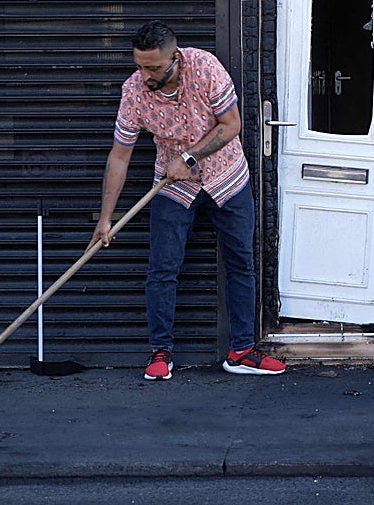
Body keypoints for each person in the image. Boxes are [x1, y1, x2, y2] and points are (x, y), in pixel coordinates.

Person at [88, 20, 285, 379]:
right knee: (163, 267)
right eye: (139, 65)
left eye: (153, 67)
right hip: (172, 185)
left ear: (175, 58)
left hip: (227, 178)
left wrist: (190, 157)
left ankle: (241, 351)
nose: (144, 74)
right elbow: (119, 156)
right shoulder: (133, 92)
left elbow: (231, 125)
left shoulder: (205, 67)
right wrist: (106, 218)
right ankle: (160, 352)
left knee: (241, 261)